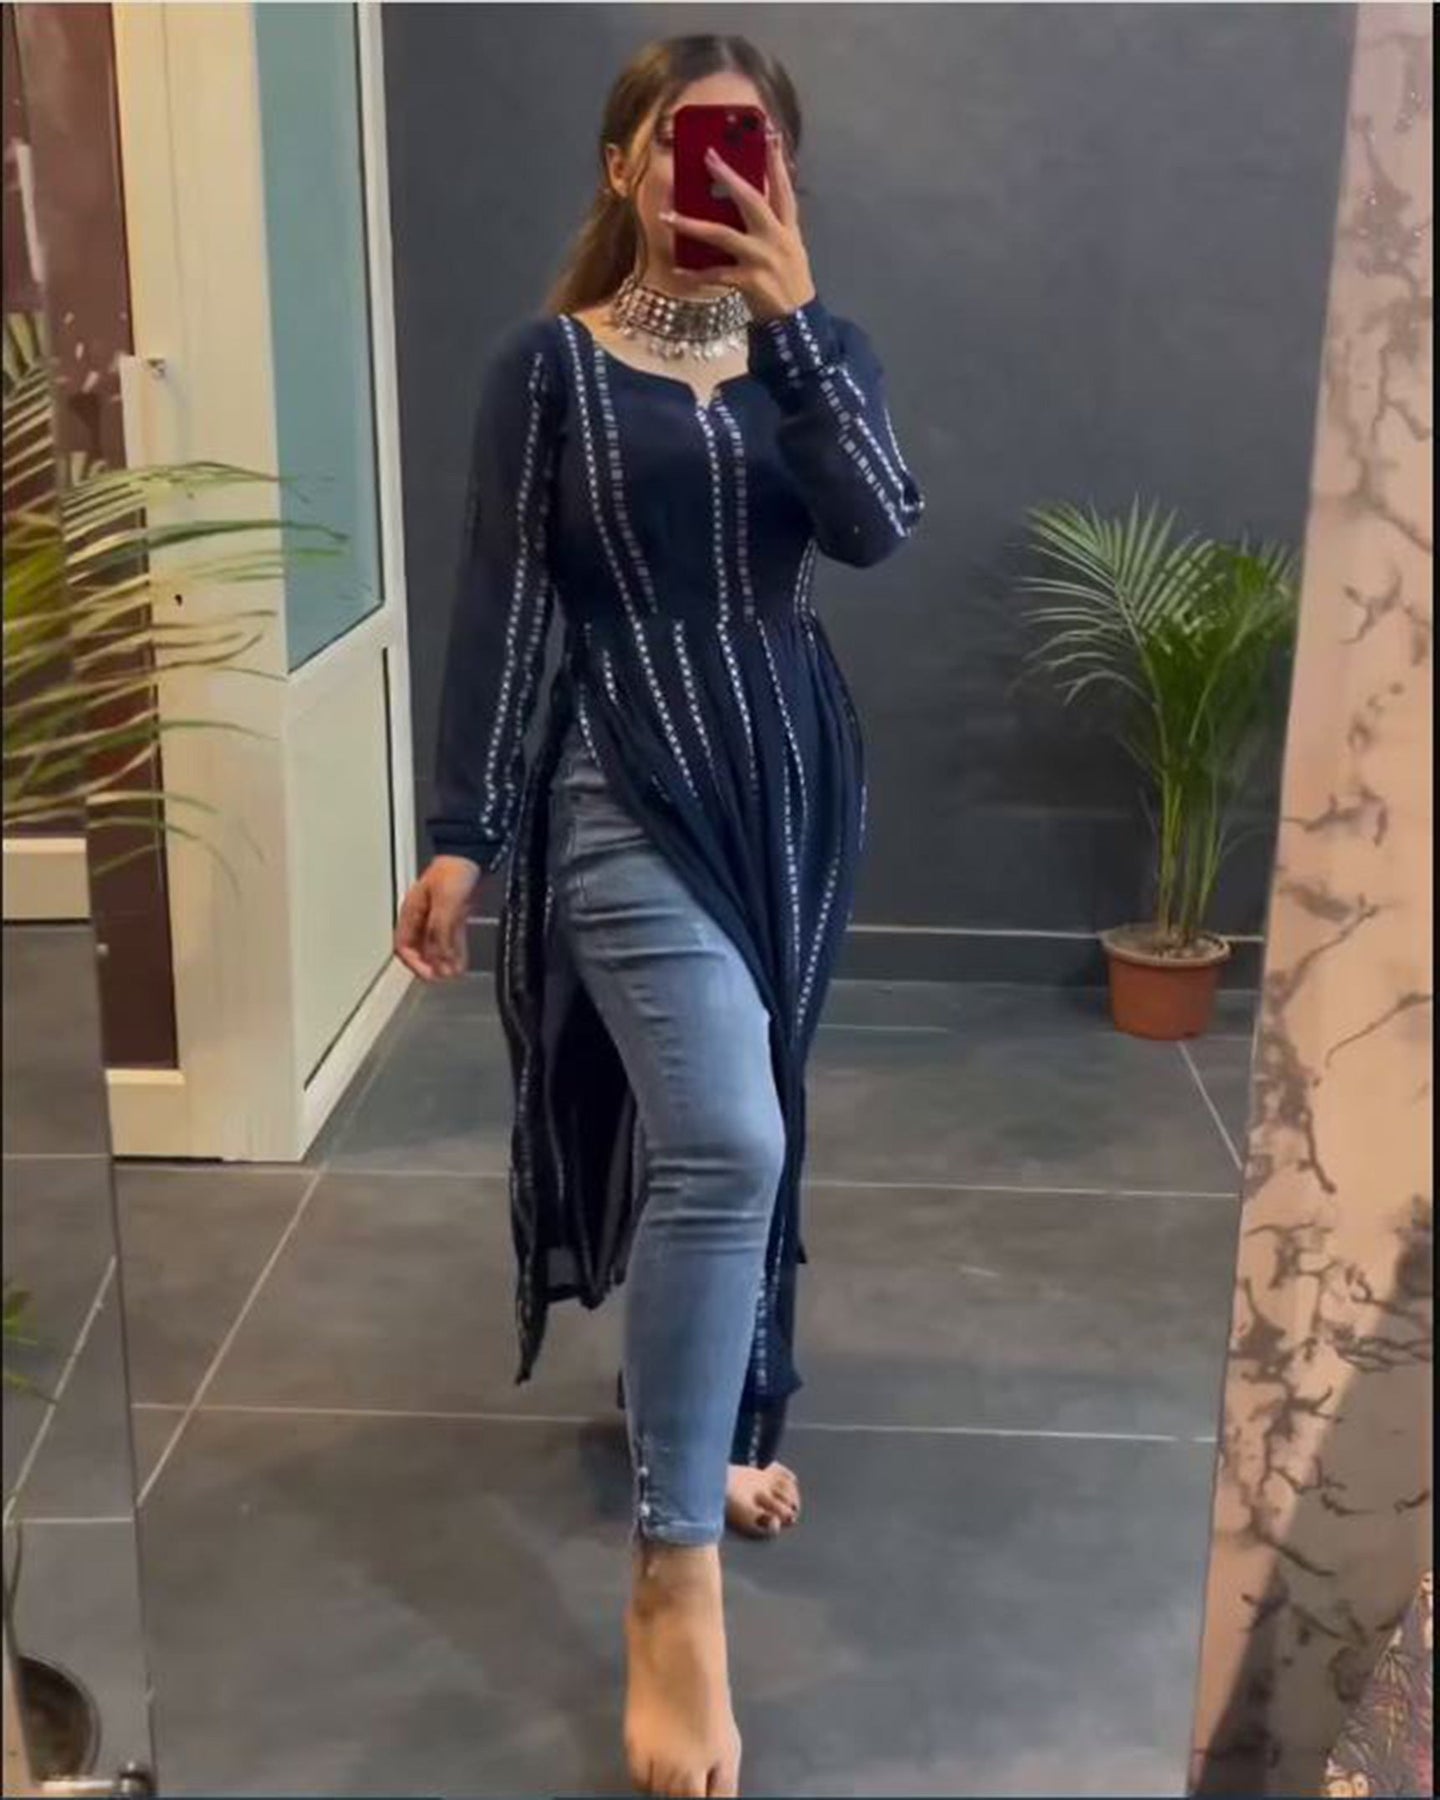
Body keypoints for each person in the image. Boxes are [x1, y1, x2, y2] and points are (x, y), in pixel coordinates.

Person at [394, 33, 922, 1798]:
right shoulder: (544, 370)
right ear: (623, 164)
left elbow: (878, 528)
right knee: (730, 1139)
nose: (719, 174)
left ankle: (699, 1414)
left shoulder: (818, 351)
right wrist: (466, 831)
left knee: (746, 1123)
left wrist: (795, 321)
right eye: (689, 144)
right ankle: (672, 1575)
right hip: (619, 782)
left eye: (753, 148)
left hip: (793, 793)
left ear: (784, 175)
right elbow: (505, 604)